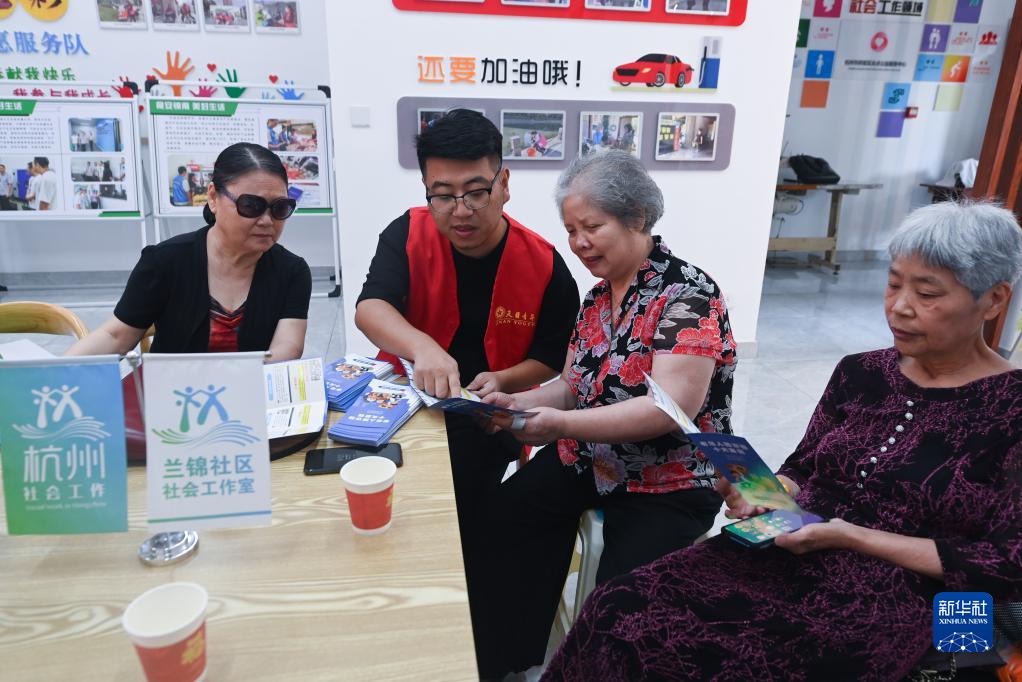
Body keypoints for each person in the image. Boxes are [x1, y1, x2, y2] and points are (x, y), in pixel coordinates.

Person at [544, 200, 1022, 681]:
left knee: (727, 663)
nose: (899, 306)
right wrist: (764, 491)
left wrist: (850, 536)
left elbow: (1006, 565)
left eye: (927, 293)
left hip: (908, 597)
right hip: (791, 548)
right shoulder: (861, 373)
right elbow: (803, 467)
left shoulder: (1013, 408)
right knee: (619, 607)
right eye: (894, 283)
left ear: (994, 299)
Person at [473, 150, 736, 677]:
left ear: (636, 217)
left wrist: (559, 426)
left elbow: (669, 409)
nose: (578, 243)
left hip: (669, 479)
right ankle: (505, 657)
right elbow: (572, 387)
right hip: (590, 459)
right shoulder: (596, 299)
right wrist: (517, 403)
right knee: (499, 524)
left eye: (592, 227)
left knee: (623, 604)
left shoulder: (688, 296)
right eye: (571, 230)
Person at [353, 108, 579, 662]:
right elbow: (370, 308)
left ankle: (459, 636)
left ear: (504, 183)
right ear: (426, 191)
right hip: (402, 405)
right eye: (443, 194)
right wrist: (424, 348)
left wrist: (503, 378)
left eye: (476, 191)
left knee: (461, 511)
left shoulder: (544, 265)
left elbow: (551, 358)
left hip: (484, 418)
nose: (461, 210)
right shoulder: (407, 233)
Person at [67, 143, 310, 358]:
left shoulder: (292, 271)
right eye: (251, 205)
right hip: (175, 392)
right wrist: (55, 371)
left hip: (255, 391)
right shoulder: (164, 262)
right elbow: (116, 336)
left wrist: (236, 380)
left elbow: (287, 348)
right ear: (213, 197)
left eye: (280, 208)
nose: (267, 221)